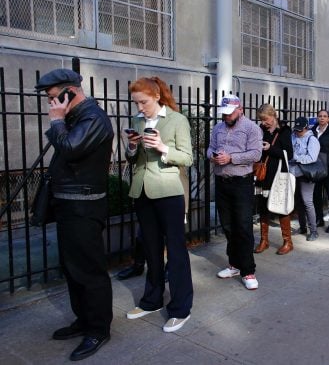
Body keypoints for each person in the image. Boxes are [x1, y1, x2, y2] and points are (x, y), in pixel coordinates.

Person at [35, 68, 113, 361]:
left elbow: (69, 148)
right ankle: (84, 320)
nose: (51, 105)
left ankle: (98, 329)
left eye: (54, 98)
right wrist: (62, 119)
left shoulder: (94, 118)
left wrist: (56, 122)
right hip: (68, 204)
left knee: (89, 271)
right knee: (72, 269)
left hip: (84, 206)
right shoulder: (77, 117)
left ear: (70, 92)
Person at [124, 77, 194, 333]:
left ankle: (181, 309)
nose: (139, 107)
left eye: (143, 102)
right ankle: (151, 301)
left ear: (156, 96)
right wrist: (132, 147)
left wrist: (163, 147)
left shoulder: (177, 120)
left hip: (169, 191)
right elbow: (133, 159)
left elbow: (187, 157)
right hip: (142, 190)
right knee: (151, 250)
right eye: (136, 103)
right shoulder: (137, 121)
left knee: (176, 252)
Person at [209, 95, 263, 290]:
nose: (226, 117)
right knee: (228, 225)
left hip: (241, 182)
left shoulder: (251, 128)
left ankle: (248, 270)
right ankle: (234, 264)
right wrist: (214, 157)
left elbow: (256, 154)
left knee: (243, 226)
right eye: (224, 113)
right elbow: (209, 149)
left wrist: (231, 158)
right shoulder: (218, 127)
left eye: (230, 113)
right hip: (222, 181)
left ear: (240, 109)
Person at [253, 104, 295, 254]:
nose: (264, 123)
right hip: (263, 174)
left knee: (281, 207)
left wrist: (270, 147)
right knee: (263, 207)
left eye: (266, 119)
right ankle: (264, 240)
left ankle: (288, 241)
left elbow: (289, 154)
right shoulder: (260, 130)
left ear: (274, 115)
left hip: (278, 175)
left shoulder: (284, 131)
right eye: (262, 120)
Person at [290, 117, 321, 241]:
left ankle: (313, 230)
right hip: (293, 173)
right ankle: (302, 227)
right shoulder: (293, 136)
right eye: (296, 129)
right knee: (298, 202)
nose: (298, 132)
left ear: (306, 128)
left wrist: (297, 158)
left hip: (306, 174)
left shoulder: (312, 139)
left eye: (300, 130)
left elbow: (312, 157)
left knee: (307, 202)